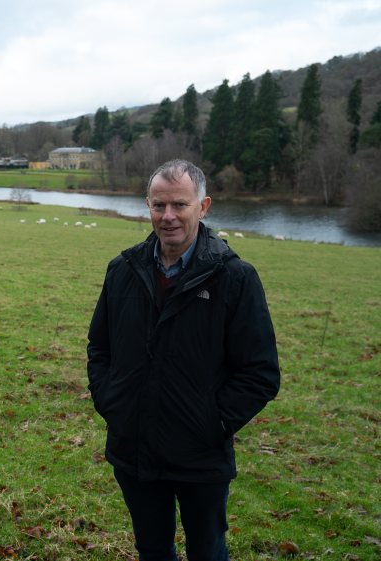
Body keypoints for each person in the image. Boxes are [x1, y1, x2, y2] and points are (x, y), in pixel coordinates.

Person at [86, 159, 280, 561]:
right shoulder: (122, 270)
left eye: (179, 205)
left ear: (203, 206)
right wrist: (113, 404)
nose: (168, 216)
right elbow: (100, 348)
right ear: (147, 206)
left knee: (207, 551)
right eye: (159, 206)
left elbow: (260, 372)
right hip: (134, 448)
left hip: (201, 456)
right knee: (153, 550)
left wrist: (214, 422)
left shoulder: (235, 278)